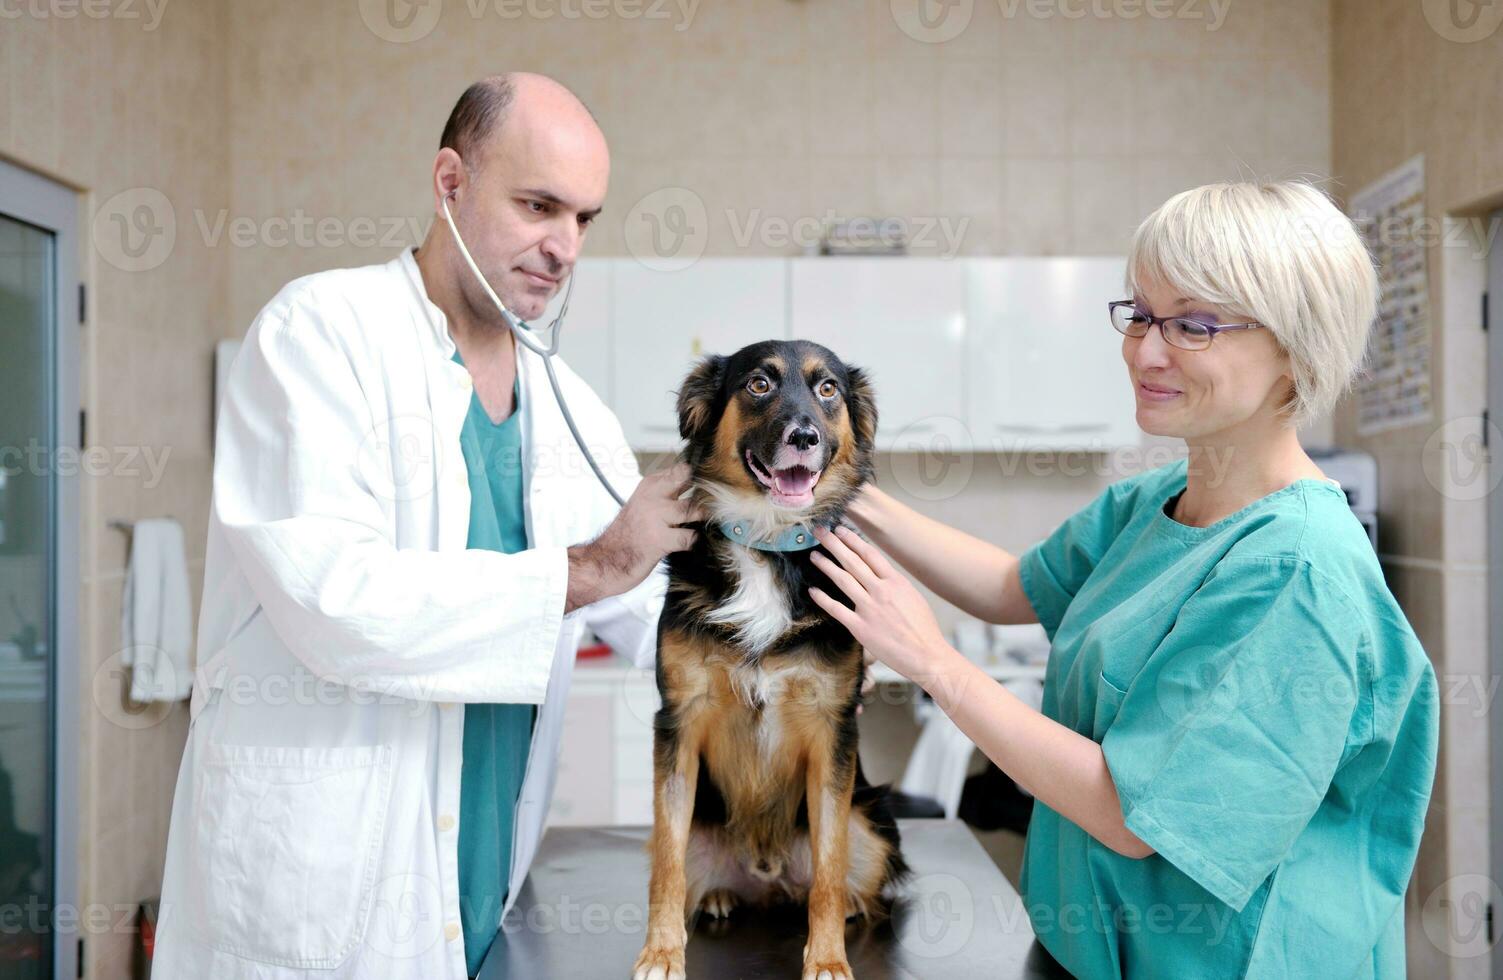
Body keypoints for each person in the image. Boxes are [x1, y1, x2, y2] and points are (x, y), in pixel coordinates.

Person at [808, 181, 1439, 977]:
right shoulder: (1159, 498)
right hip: (1087, 952)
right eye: (1139, 314)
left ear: (1295, 345)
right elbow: (1011, 587)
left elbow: (1129, 813)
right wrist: (836, 487)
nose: (1144, 350)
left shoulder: (1295, 574)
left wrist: (933, 662)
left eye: (1193, 325)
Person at [152, 73, 702, 980]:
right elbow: (337, 602)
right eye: (538, 206)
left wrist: (787, 635)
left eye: (585, 220)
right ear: (450, 182)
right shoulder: (318, 334)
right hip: (323, 890)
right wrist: (599, 565)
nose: (563, 247)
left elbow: (654, 621)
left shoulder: (569, 408)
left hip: (480, 879)